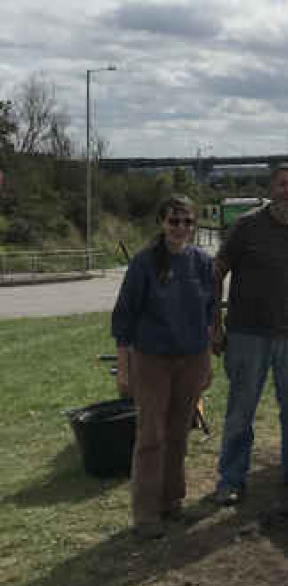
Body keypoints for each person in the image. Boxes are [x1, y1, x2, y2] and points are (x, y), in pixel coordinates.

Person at [211, 163, 288, 503]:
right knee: (241, 410)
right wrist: (214, 325)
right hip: (247, 334)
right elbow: (216, 273)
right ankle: (231, 480)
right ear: (271, 189)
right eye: (282, 184)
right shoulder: (246, 227)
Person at [112, 195, 215, 539]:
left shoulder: (202, 263)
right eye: (174, 221)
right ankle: (146, 514)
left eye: (187, 222)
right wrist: (125, 368)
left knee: (178, 433)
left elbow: (211, 314)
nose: (180, 228)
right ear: (162, 223)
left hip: (192, 358)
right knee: (151, 435)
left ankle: (173, 502)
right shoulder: (143, 264)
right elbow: (124, 318)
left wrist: (206, 363)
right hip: (152, 360)